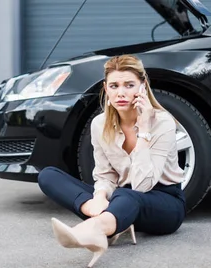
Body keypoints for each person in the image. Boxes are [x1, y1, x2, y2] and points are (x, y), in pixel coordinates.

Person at [37, 54, 186, 267]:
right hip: (119, 198)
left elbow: (142, 186)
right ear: (106, 89)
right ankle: (103, 216)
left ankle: (94, 229)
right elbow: (105, 175)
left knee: (126, 194)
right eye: (114, 86)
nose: (121, 93)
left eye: (129, 85)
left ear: (142, 87)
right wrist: (98, 197)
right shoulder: (100, 124)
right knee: (48, 175)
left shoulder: (161, 123)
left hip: (165, 202)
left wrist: (143, 130)